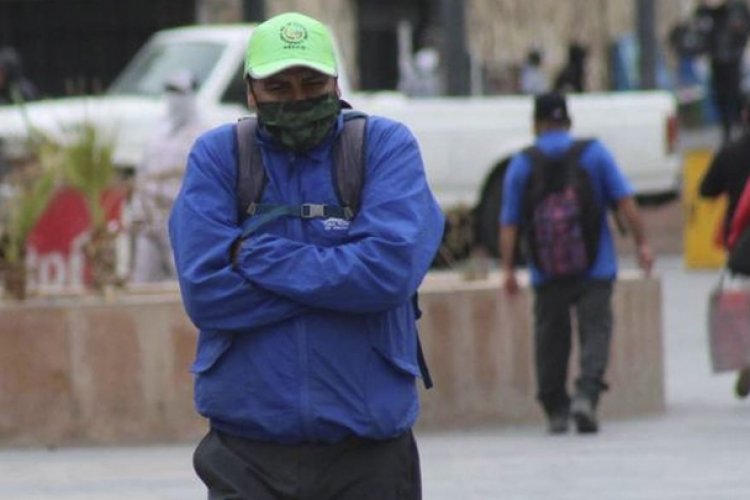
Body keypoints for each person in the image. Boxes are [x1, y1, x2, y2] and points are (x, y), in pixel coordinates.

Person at [168, 12, 444, 499]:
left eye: (311, 83)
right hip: (246, 456)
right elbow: (207, 295)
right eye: (279, 87)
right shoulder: (217, 157)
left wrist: (253, 254)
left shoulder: (384, 147)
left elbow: (388, 275)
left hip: (369, 454)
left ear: (337, 82)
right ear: (252, 92)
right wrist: (341, 274)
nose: (298, 98)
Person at [499, 92, 654, 435]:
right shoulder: (594, 153)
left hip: (546, 269)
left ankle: (556, 409)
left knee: (550, 338)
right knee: (596, 331)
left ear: (536, 123)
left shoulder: (523, 163)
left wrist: (508, 269)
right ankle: (586, 396)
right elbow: (626, 204)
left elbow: (509, 221)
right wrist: (642, 245)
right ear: (567, 120)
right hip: (595, 266)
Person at [129, 70, 206, 283]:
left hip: (180, 216)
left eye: (179, 92)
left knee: (183, 278)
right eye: (170, 91)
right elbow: (142, 173)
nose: (174, 98)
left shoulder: (202, 133)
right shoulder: (157, 131)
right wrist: (137, 210)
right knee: (142, 278)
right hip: (151, 213)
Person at [701, 96, 750, 398]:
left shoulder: (731, 152)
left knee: (744, 307)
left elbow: (706, 190)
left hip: (743, 245)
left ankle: (746, 357)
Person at [693, 0, 750, 142]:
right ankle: (727, 130)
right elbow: (700, 35)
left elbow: (742, 30)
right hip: (716, 61)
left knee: (734, 94)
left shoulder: (737, 9)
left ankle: (737, 128)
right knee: (721, 97)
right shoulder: (705, 12)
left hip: (733, 60)